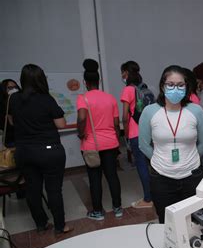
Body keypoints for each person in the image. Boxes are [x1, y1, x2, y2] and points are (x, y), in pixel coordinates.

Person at [138, 65, 203, 223]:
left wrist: (191, 158)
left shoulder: (195, 111)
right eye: (170, 84)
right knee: (167, 223)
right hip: (161, 178)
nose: (175, 88)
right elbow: (143, 145)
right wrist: (159, 159)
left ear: (186, 86)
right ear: (162, 86)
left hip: (192, 176)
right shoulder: (150, 111)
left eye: (180, 85)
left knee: (193, 223)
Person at [9, 64, 72, 234]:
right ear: (41, 80)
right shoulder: (47, 99)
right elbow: (61, 123)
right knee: (53, 190)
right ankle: (60, 226)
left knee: (32, 189)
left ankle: (41, 223)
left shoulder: (14, 99)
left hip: (24, 151)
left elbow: (11, 122)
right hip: (49, 150)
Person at [77, 59, 122, 220]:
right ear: (99, 80)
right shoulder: (110, 98)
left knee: (95, 179)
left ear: (85, 82)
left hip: (92, 145)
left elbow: (82, 118)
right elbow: (116, 124)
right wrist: (115, 139)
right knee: (112, 177)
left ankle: (98, 212)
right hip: (110, 143)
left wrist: (80, 133)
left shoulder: (83, 98)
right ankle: (118, 208)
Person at [120, 60, 153, 209]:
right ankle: (156, 194)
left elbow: (125, 116)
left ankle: (147, 199)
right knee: (152, 165)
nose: (122, 75)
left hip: (135, 134)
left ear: (126, 73)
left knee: (141, 166)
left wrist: (125, 135)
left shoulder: (128, 90)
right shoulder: (144, 88)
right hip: (149, 132)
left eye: (122, 72)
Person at [0, 79, 20, 147]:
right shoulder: (2, 105)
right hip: (9, 140)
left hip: (22, 140)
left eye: (15, 87)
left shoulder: (22, 103)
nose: (14, 89)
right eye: (10, 88)